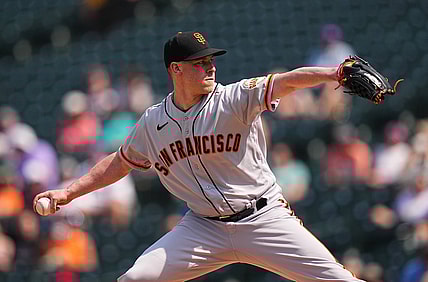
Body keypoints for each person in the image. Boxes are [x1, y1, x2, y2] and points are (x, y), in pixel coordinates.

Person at [34, 31, 364, 281]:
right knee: (135, 278)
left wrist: (332, 73)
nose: (210, 67)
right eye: (200, 63)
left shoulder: (233, 98)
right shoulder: (153, 121)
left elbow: (285, 82)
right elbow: (119, 162)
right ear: (176, 69)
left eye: (211, 60)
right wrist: (68, 193)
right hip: (203, 229)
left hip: (262, 218)